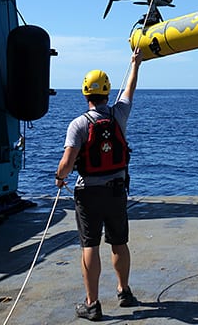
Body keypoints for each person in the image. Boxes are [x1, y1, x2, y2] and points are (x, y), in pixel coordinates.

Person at [55, 48, 142, 321]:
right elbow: (129, 90)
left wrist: (60, 177)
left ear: (85, 94)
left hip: (88, 193)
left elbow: (67, 163)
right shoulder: (119, 115)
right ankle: (124, 291)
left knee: (89, 245)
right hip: (117, 191)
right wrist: (135, 63)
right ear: (107, 92)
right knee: (119, 242)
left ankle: (92, 304)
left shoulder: (78, 124)